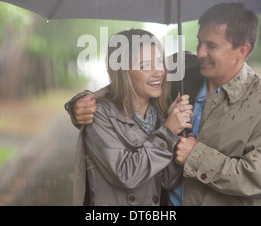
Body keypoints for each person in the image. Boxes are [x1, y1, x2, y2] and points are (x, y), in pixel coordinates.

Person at [67, 3, 261, 206]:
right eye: (199, 41)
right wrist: (80, 103)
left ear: (242, 50)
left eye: (211, 45)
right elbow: (126, 84)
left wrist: (197, 157)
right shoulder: (182, 71)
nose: (200, 52)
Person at [71, 29, 193, 206]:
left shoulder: (161, 114)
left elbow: (168, 181)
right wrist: (167, 133)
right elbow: (126, 174)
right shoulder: (99, 115)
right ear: (123, 72)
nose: (158, 72)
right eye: (144, 65)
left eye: (159, 62)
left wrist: (179, 134)